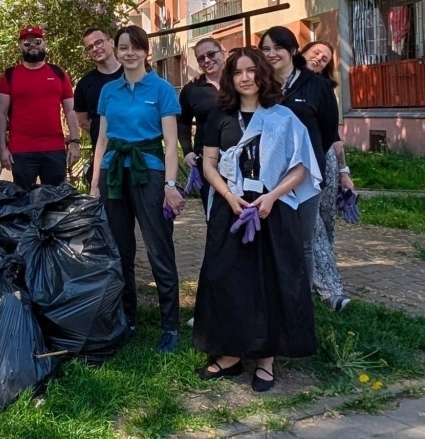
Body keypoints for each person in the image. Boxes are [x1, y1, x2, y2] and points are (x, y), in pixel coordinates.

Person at [195, 48, 320, 392]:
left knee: (270, 281)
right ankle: (231, 353)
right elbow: (209, 164)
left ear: (262, 74)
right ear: (230, 78)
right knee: (226, 278)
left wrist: (272, 196)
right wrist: (227, 195)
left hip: (272, 210)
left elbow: (300, 167)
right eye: (237, 72)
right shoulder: (219, 116)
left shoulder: (284, 117)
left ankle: (266, 359)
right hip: (231, 208)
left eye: (251, 70)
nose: (245, 78)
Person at [90, 25, 184, 353]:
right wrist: (94, 185)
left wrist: (170, 185)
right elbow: (102, 141)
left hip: (150, 173)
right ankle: (126, 319)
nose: (129, 53)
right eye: (123, 47)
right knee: (120, 250)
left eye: (136, 47)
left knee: (159, 249)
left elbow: (170, 144)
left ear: (146, 51)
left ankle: (170, 326)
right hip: (113, 173)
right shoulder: (108, 91)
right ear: (116, 51)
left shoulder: (161, 89)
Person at [259, 27, 336, 292]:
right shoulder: (259, 84)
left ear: (293, 50)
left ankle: (302, 302)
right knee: (270, 240)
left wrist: (307, 158)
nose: (271, 54)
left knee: (303, 242)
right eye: (265, 49)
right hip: (267, 176)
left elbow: (328, 132)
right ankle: (275, 298)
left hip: (305, 176)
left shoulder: (317, 86)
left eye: (278, 48)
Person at [301, 40, 354, 311]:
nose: (319, 58)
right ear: (302, 53)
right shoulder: (286, 85)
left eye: (325, 58)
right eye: (316, 52)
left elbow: (334, 135)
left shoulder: (324, 89)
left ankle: (320, 278)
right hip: (300, 165)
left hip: (326, 161)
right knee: (313, 227)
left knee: (326, 224)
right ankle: (331, 291)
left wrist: (344, 172)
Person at [0, 26, 80, 191]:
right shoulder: (9, 76)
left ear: (44, 43)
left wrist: (75, 142)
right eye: (27, 43)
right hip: (21, 150)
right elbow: (1, 113)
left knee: (55, 198)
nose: (32, 46)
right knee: (23, 200)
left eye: (37, 41)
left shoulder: (58, 73)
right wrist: (2, 149)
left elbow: (71, 111)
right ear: (20, 46)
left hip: (54, 148)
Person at [178, 38, 226, 211]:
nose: (207, 60)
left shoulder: (239, 81)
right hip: (207, 160)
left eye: (211, 54)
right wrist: (187, 150)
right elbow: (182, 122)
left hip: (240, 158)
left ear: (223, 52)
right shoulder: (191, 89)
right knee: (214, 213)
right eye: (201, 58)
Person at [74, 28, 123, 184]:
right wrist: (105, 132)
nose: (95, 48)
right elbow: (82, 121)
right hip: (104, 155)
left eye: (99, 42)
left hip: (138, 150)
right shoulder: (84, 84)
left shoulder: (132, 73)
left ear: (111, 42)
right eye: (90, 47)